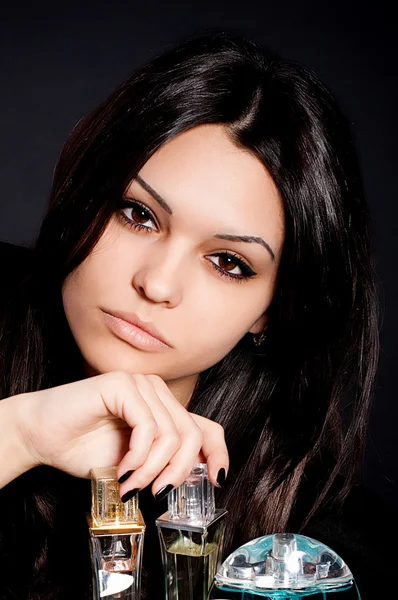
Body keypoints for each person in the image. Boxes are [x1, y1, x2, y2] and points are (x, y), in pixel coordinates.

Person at [0, 29, 394, 600]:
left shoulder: (312, 558)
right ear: (85, 194)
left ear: (272, 311)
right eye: (137, 214)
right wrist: (20, 433)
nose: (156, 283)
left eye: (228, 263)